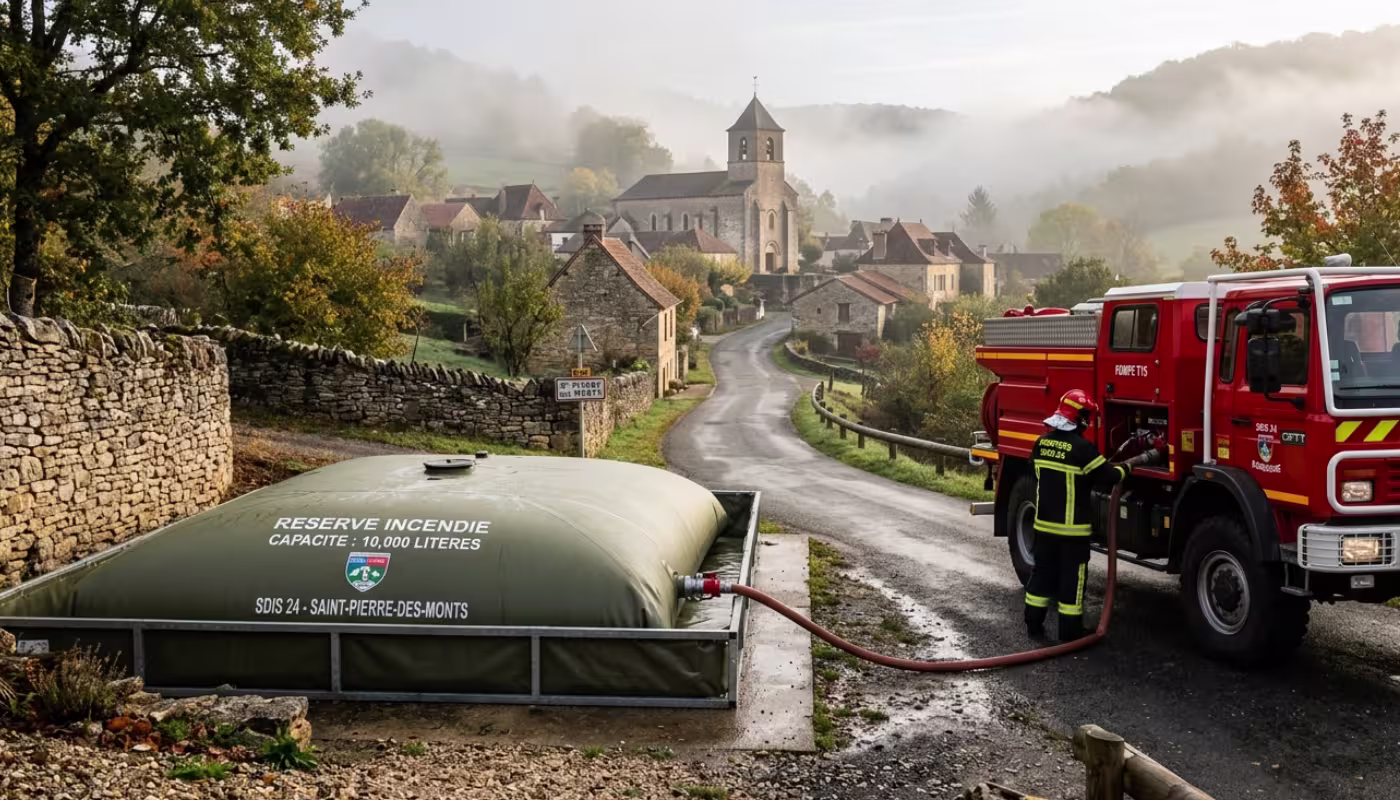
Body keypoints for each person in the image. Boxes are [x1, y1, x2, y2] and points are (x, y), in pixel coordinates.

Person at [1024, 389, 1164, 642]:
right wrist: (1141, 459)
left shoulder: (1041, 443)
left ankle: (1033, 624)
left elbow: (1036, 475)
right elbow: (1113, 477)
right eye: (1087, 416)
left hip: (1043, 528)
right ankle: (1069, 634)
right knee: (1071, 582)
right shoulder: (1082, 448)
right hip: (1071, 533)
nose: (1089, 422)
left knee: (1041, 575)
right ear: (1080, 418)